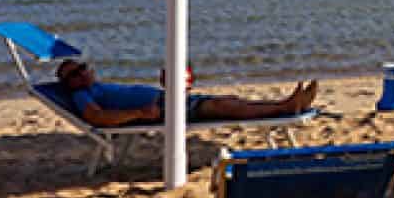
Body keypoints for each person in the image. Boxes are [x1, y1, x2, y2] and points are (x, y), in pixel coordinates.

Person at [55, 59, 318, 128]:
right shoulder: (82, 97)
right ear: (71, 82)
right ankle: (284, 107)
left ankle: (284, 104)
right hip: (162, 110)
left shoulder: (93, 88)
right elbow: (97, 118)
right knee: (220, 108)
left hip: (168, 100)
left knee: (227, 102)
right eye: (77, 71)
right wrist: (139, 112)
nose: (85, 71)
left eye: (83, 67)